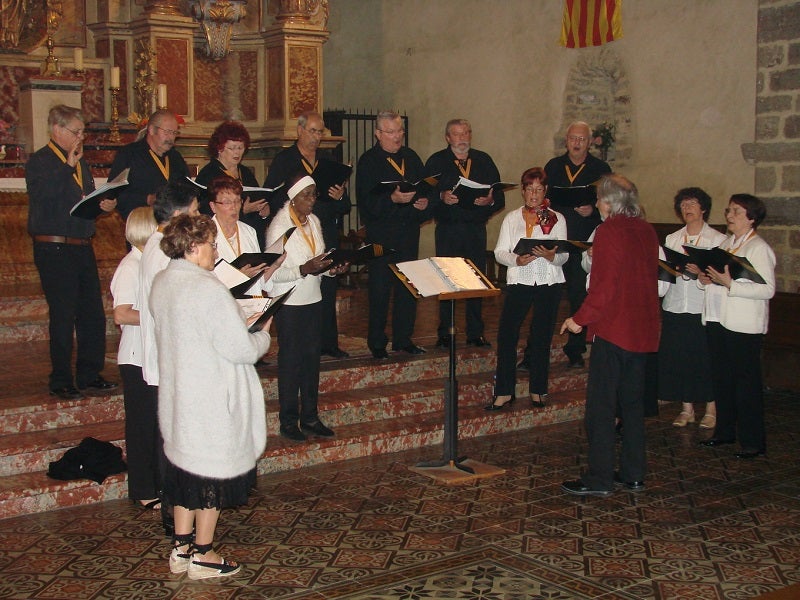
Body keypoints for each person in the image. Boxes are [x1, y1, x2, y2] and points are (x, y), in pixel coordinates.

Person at [151, 213, 272, 580]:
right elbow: (241, 350)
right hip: (211, 400)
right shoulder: (207, 287)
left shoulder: (162, 282)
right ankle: (204, 556)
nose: (215, 250)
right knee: (209, 478)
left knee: (185, 474)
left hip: (180, 395)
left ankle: (181, 548)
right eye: (211, 243)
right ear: (192, 247)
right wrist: (263, 333)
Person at [560, 174, 660, 496]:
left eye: (601, 199)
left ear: (609, 202)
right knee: (631, 405)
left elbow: (604, 289)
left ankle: (599, 478)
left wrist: (579, 319)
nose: (599, 205)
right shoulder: (647, 230)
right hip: (642, 330)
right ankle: (633, 473)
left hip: (615, 330)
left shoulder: (608, 231)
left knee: (601, 408)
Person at [26, 104, 118, 400]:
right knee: (63, 315)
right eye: (76, 132)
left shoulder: (81, 163)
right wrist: (67, 166)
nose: (81, 137)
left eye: (83, 132)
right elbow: (44, 197)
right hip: (53, 247)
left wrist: (102, 205)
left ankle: (89, 373)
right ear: (57, 130)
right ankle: (61, 378)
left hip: (80, 245)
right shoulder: (40, 161)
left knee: (91, 313)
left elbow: (80, 201)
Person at [265, 175, 348, 442]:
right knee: (291, 362)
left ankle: (310, 417)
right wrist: (303, 269)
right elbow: (271, 273)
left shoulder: (314, 222)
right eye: (307, 195)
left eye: (314, 195)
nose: (313, 200)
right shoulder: (279, 226)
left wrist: (331, 270)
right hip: (289, 302)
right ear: (293, 197)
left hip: (313, 299)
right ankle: (288, 421)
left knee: (312, 360)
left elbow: (319, 262)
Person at [263, 111, 352, 358]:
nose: (316, 136)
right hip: (298, 227)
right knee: (302, 280)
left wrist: (340, 196)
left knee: (327, 284)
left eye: (320, 131)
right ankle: (299, 341)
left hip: (323, 228)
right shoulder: (285, 159)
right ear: (299, 131)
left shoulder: (328, 160)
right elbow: (274, 195)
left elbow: (345, 206)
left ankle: (328, 342)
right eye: (312, 131)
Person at [697, 194, 776, 459]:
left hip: (744, 325)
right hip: (720, 319)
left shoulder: (758, 248)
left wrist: (731, 284)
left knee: (746, 384)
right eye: (729, 210)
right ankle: (725, 431)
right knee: (723, 380)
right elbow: (719, 279)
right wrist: (707, 279)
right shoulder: (728, 244)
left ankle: (753, 441)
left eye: (737, 212)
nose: (729, 215)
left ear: (751, 218)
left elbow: (768, 289)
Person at [486, 167, 566, 411]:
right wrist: (516, 260)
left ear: (545, 191)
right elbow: (500, 252)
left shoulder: (557, 218)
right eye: (530, 189)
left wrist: (552, 256)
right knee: (507, 334)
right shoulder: (512, 218)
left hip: (548, 282)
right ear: (522, 191)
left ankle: (538, 389)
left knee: (541, 336)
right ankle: (503, 392)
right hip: (519, 280)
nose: (534, 194)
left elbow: (564, 256)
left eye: (539, 189)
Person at [356, 110, 434, 359]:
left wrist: (424, 204)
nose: (397, 136)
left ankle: (403, 338)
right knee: (379, 290)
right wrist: (391, 198)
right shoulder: (369, 161)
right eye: (390, 132)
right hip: (381, 236)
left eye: (400, 131)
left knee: (408, 287)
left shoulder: (411, 157)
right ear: (378, 134)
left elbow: (427, 189)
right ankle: (377, 342)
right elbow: (366, 202)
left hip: (408, 233)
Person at [426, 119, 505, 349]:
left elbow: (498, 196)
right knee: (447, 280)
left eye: (466, 133)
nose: (462, 138)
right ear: (448, 138)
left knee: (475, 280)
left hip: (474, 230)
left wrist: (490, 200)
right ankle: (445, 331)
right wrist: (441, 197)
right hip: (448, 230)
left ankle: (475, 332)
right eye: (456, 134)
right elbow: (425, 195)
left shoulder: (483, 160)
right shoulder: (437, 161)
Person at [538, 121, 611, 369]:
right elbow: (543, 200)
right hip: (556, 239)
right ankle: (538, 346)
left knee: (579, 294)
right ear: (566, 141)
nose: (577, 143)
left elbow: (608, 204)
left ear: (590, 142)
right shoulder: (554, 166)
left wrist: (591, 211)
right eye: (572, 138)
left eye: (582, 139)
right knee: (549, 293)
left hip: (582, 240)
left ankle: (576, 347)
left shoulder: (600, 169)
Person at [660, 188, 726, 428]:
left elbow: (721, 279)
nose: (687, 208)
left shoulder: (717, 240)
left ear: (704, 208)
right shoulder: (672, 239)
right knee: (681, 358)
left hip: (703, 307)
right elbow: (665, 272)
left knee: (705, 359)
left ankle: (711, 408)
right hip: (676, 305)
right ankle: (686, 408)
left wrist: (701, 274)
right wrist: (671, 271)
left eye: (692, 204)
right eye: (684, 204)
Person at [109, 206, 159, 508]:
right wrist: (158, 315)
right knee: (141, 426)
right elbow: (122, 313)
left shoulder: (150, 263)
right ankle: (142, 489)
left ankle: (157, 481)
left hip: (152, 354)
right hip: (135, 357)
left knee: (156, 424)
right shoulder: (130, 265)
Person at [195, 120, 270, 248]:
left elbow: (258, 198)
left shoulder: (245, 172)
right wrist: (242, 209)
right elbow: (204, 211)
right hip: (223, 237)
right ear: (219, 148)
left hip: (250, 235)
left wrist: (265, 211)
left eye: (240, 148)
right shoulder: (208, 174)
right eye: (232, 148)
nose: (237, 153)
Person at [107, 109, 189, 221]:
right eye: (167, 132)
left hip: (173, 225)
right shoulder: (129, 154)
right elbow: (115, 195)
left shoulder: (175, 157)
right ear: (151, 130)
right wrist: (147, 199)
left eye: (174, 133)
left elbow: (187, 188)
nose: (171, 138)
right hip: (141, 224)